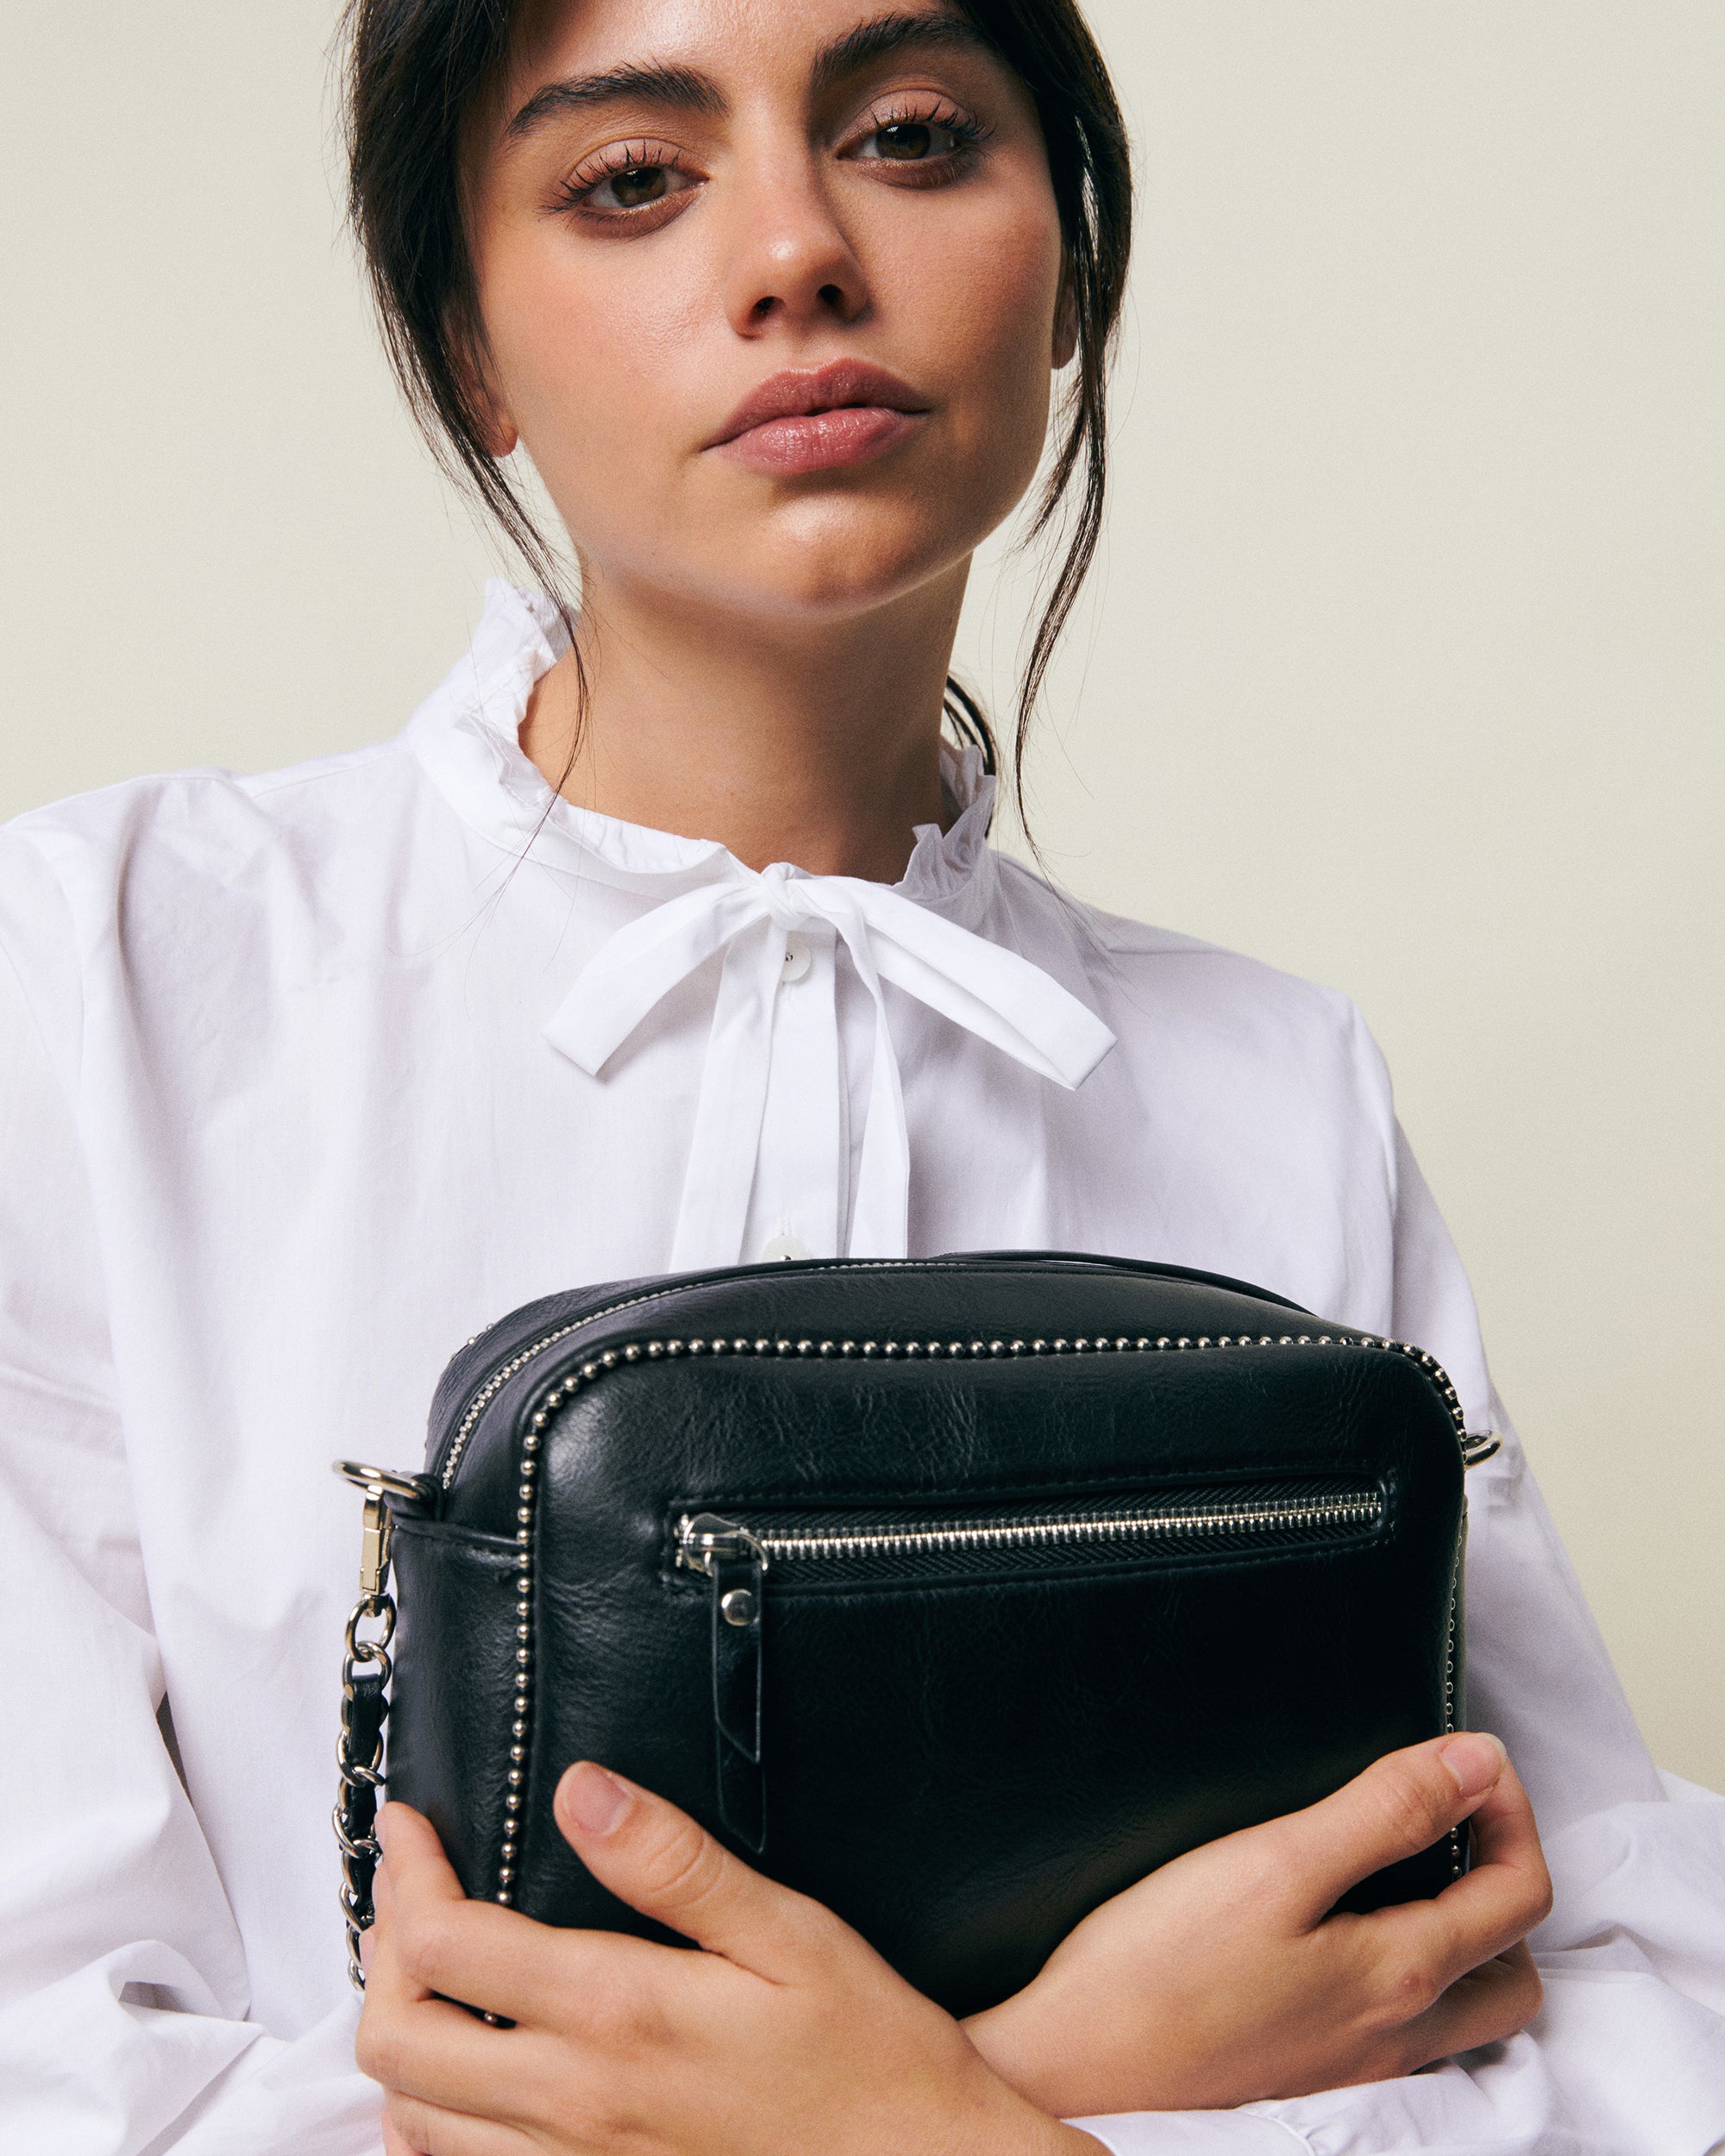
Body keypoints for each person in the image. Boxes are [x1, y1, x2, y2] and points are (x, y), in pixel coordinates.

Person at [1, 0, 1721, 2149]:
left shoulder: (1274, 1077)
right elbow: (52, 2067)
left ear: (1065, 267)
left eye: (908, 135)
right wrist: (1014, 2098)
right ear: (469, 349)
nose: (797, 253)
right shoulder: (97, 973)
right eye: (633, 178)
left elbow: (1636, 2009)